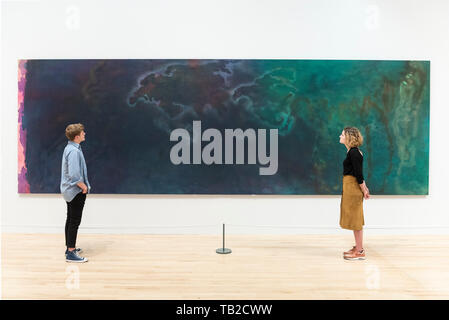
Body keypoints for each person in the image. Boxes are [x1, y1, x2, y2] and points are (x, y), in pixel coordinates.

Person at [60, 123, 91, 263]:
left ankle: (69, 248)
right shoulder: (74, 151)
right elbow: (74, 175)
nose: (85, 134)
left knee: (70, 219)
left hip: (69, 191)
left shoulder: (70, 148)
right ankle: (71, 253)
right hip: (75, 191)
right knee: (74, 221)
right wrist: (83, 187)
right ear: (77, 136)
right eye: (83, 132)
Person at [339, 127, 370, 260]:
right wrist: (365, 188)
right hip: (349, 187)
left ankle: (360, 251)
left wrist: (364, 189)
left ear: (349, 137)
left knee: (356, 219)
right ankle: (357, 247)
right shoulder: (351, 152)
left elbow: (358, 175)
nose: (340, 136)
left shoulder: (354, 153)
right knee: (354, 218)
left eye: (342, 134)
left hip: (353, 189)